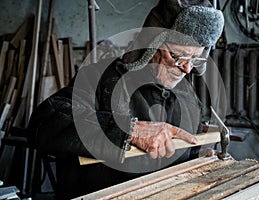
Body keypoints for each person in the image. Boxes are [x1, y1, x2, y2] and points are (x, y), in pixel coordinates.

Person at [28, 0, 224, 199]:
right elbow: (43, 123)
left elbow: (190, 153)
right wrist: (129, 131)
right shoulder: (99, 79)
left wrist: (203, 159)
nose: (187, 69)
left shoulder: (188, 97)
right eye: (179, 56)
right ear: (152, 43)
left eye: (196, 59)